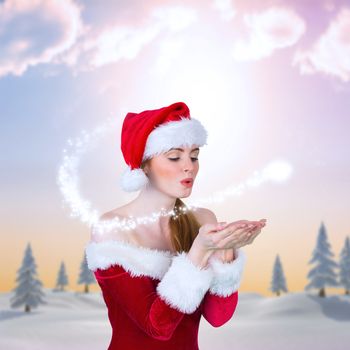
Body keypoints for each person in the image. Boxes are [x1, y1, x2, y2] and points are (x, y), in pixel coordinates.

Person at [85, 101, 266, 349]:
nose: (188, 166)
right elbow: (156, 327)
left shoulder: (202, 220)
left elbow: (217, 318)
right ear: (144, 164)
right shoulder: (112, 228)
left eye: (194, 156)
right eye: (174, 157)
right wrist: (199, 253)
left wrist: (225, 250)